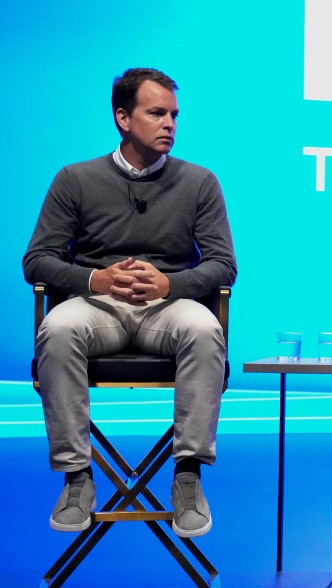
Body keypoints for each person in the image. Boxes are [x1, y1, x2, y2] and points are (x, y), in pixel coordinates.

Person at [23, 67, 237, 538]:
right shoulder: (75, 179)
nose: (170, 125)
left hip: (168, 307)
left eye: (174, 115)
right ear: (123, 117)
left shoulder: (200, 182)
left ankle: (188, 476)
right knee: (57, 329)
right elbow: (36, 261)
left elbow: (223, 266)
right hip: (97, 306)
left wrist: (170, 286)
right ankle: (77, 477)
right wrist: (94, 278)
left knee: (205, 329)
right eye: (156, 113)